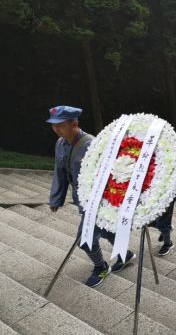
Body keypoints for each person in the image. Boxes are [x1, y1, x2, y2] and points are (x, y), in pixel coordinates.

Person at [47, 106, 135, 288]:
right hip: (81, 198)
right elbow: (60, 172)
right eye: (53, 125)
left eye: (60, 125)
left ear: (74, 124)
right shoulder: (60, 144)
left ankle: (101, 266)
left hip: (99, 201)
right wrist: (56, 198)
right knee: (107, 230)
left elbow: (112, 176)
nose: (56, 129)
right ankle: (125, 254)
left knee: (84, 240)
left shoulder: (93, 145)